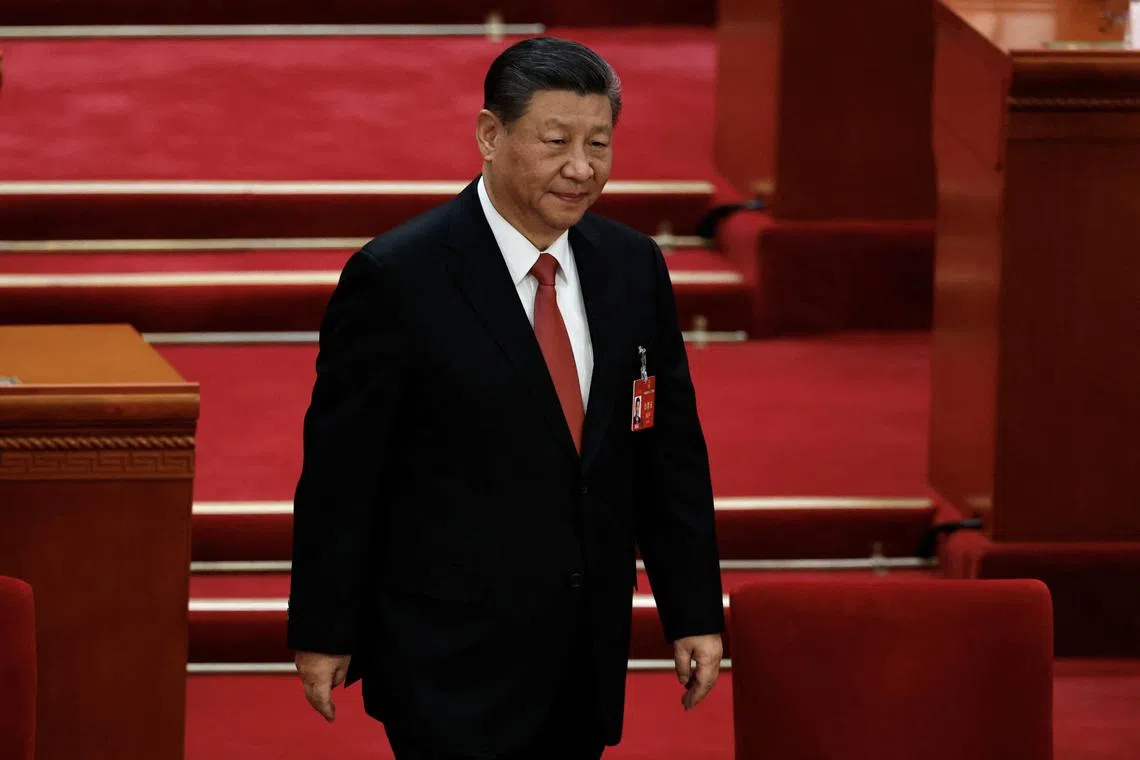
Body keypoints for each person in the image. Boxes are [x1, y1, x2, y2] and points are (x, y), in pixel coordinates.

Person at [286, 36, 724, 759]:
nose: (581, 169)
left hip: (583, 657)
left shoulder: (631, 267)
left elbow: (666, 452)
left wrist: (693, 611)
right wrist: (325, 630)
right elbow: (343, 475)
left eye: (599, 144)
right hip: (447, 659)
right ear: (490, 135)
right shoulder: (398, 278)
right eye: (555, 141)